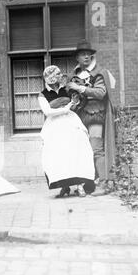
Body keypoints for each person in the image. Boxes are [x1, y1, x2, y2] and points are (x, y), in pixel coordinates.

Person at [67, 40, 117, 194]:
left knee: (96, 149)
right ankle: (88, 184)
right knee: (84, 150)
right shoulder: (74, 74)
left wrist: (80, 88)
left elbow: (101, 93)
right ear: (77, 57)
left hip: (96, 114)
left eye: (88, 54)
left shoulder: (99, 72)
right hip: (80, 116)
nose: (86, 57)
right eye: (83, 54)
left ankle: (104, 184)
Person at [38, 65, 95, 198]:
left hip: (71, 122)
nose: (54, 82)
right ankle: (64, 186)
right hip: (54, 126)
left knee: (77, 151)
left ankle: (80, 185)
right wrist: (65, 108)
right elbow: (48, 112)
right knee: (58, 154)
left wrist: (75, 101)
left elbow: (78, 102)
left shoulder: (67, 89)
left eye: (56, 78)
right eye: (50, 79)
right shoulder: (42, 95)